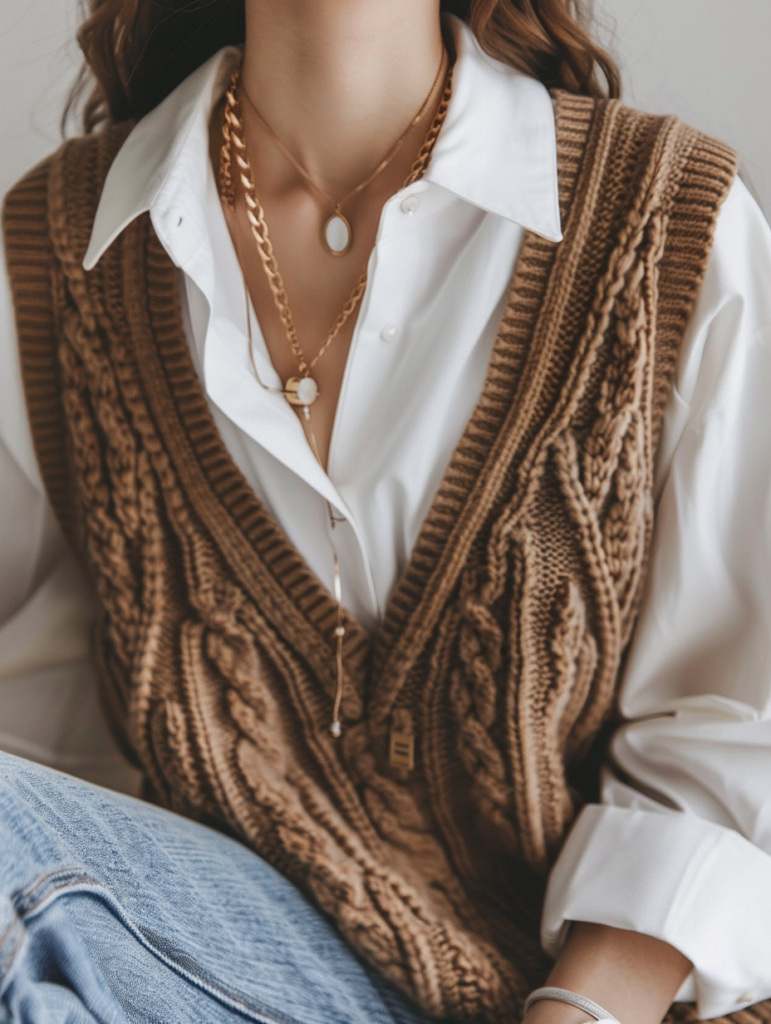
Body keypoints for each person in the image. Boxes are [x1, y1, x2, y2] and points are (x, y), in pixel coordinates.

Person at [1, 0, 770, 1021]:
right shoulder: (64, 256)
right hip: (222, 970)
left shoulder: (666, 222)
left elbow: (732, 735)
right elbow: (45, 750)